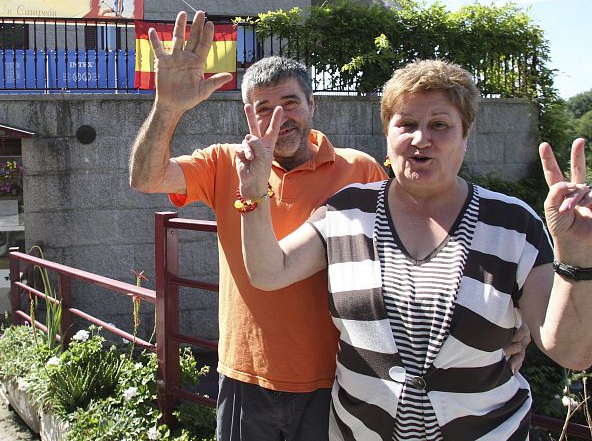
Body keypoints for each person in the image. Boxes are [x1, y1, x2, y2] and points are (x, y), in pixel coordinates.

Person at [129, 13, 529, 440]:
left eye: (290, 103)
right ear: (247, 115)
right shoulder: (228, 163)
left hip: (342, 378)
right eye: (263, 108)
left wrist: (508, 317)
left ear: (312, 106)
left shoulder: (360, 170)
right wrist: (166, 108)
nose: (278, 118)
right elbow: (146, 178)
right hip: (247, 372)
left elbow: (420, 244)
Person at [236, 59, 592, 440]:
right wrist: (254, 193)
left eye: (440, 125)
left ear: (465, 134)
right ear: (387, 133)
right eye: (406, 124)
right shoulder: (346, 211)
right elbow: (269, 272)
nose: (421, 139)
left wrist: (577, 256)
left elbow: (572, 353)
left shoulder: (513, 224)